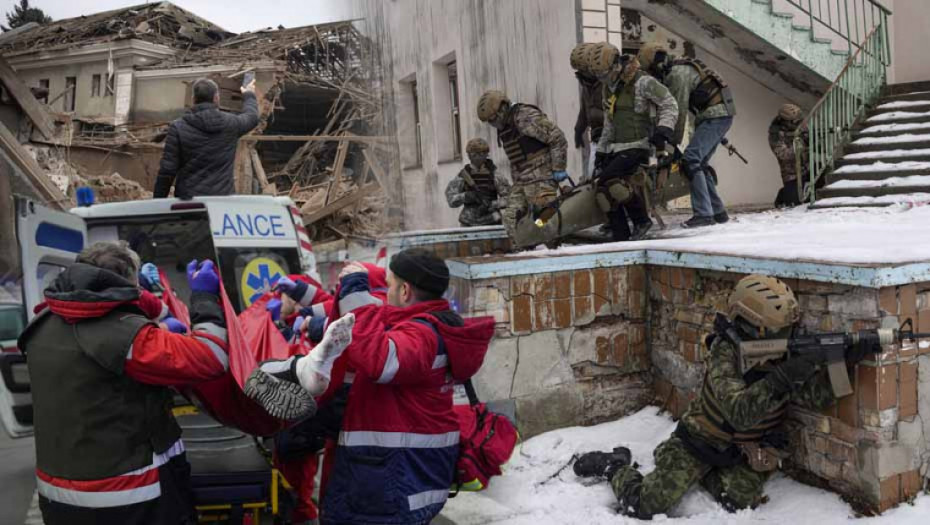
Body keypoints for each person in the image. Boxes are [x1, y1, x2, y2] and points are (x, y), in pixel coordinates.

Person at [574, 274, 879, 518]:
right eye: (781, 329)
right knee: (647, 505)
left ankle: (702, 474)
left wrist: (845, 361)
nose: (790, 334)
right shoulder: (725, 352)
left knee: (738, 501)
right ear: (754, 328)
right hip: (698, 441)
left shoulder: (788, 349)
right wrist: (786, 374)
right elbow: (738, 412)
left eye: (791, 327)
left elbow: (817, 397)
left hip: (748, 447)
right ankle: (614, 465)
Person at [250, 248, 495, 524]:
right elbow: (360, 312)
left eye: (389, 286)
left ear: (404, 291)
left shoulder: (423, 334)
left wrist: (354, 293)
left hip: (393, 480)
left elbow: (379, 360)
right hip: (395, 474)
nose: (384, 295)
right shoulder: (425, 326)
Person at [18, 241, 231, 525]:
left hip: (58, 497)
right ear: (124, 282)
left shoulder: (44, 320)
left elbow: (99, 328)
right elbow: (213, 358)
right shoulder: (124, 336)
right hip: (127, 499)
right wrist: (204, 298)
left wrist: (148, 300)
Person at [638, 43, 735, 228]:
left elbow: (678, 111)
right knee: (700, 163)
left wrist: (670, 144)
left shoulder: (677, 74)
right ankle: (718, 212)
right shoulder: (681, 67)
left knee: (690, 161)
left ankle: (704, 215)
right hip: (717, 116)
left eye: (651, 71)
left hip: (715, 117)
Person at [590, 43, 679, 241]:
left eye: (604, 74)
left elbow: (670, 104)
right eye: (600, 77)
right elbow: (609, 123)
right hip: (617, 147)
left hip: (639, 145)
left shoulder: (643, 82)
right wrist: (601, 152)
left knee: (610, 181)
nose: (604, 80)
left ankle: (641, 220)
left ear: (616, 66)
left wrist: (664, 130)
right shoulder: (610, 88)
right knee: (601, 189)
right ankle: (620, 234)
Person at [476, 89, 568, 239]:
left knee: (544, 219)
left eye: (493, 119)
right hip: (523, 181)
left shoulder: (525, 117)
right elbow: (517, 159)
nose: (493, 124)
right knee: (511, 219)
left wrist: (559, 167)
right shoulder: (507, 127)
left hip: (541, 177)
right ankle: (522, 251)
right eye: (489, 122)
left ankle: (555, 249)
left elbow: (557, 138)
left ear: (503, 108)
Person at [153, 77, 260, 199]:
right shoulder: (231, 123)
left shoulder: (178, 127)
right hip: (223, 201)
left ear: (193, 99)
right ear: (216, 98)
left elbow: (167, 171)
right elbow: (252, 117)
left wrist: (158, 201)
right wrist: (249, 95)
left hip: (189, 203)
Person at [445, 138, 511, 227]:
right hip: (468, 222)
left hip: (492, 221)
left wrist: (494, 204)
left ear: (486, 154)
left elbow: (510, 198)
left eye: (482, 153)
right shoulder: (463, 176)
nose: (478, 156)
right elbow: (451, 200)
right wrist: (465, 196)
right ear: (469, 155)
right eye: (474, 154)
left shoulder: (495, 174)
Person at [570, 42, 605, 181]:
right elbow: (584, 111)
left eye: (583, 69)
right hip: (597, 138)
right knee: (592, 177)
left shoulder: (608, 82)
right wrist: (578, 130)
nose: (582, 73)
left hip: (613, 139)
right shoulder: (586, 86)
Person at [770, 103, 808, 207]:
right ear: (787, 121)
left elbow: (808, 135)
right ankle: (783, 195)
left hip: (807, 167)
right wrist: (798, 147)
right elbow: (783, 155)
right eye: (795, 121)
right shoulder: (776, 133)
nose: (799, 123)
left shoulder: (800, 124)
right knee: (793, 202)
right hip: (791, 173)